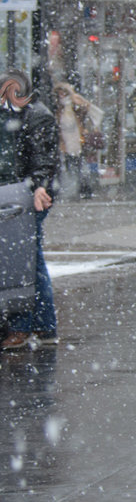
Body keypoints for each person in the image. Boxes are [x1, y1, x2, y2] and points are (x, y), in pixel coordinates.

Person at [0, 69, 60, 350]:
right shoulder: (13, 116)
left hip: (26, 198)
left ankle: (34, 326)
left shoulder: (37, 116)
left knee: (27, 263)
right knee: (21, 262)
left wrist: (39, 187)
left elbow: (44, 160)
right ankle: (35, 326)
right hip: (14, 194)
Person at [54, 80, 100, 199]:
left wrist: (76, 99)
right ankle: (76, 189)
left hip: (77, 140)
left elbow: (88, 109)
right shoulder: (58, 109)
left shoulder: (75, 106)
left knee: (80, 166)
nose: (61, 96)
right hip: (66, 141)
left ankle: (85, 189)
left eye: (63, 93)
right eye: (59, 94)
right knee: (71, 167)